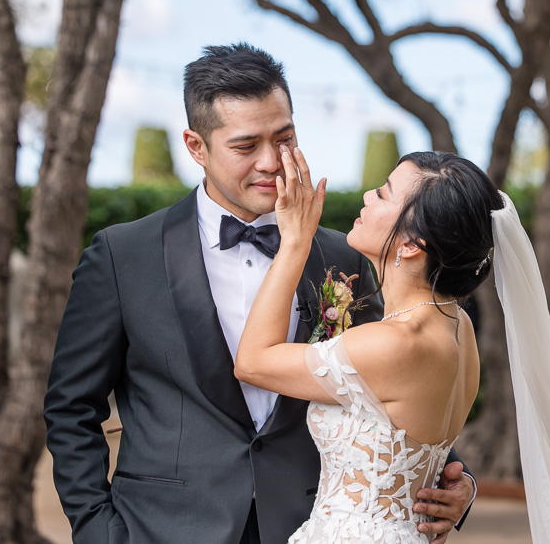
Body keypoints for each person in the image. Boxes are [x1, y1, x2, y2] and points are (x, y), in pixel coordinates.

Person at [43, 44, 474, 544]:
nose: (271, 162)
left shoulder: (347, 255)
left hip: (310, 524)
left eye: (284, 138)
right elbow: (71, 409)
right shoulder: (123, 256)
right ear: (196, 147)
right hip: (162, 530)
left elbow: (395, 381)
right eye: (246, 146)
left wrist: (454, 479)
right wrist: (99, 532)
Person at [235, 147, 550, 544]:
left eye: (383, 193)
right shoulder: (458, 326)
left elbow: (252, 362)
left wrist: (295, 242)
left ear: (413, 243)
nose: (367, 195)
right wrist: (463, 481)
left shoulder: (396, 342)